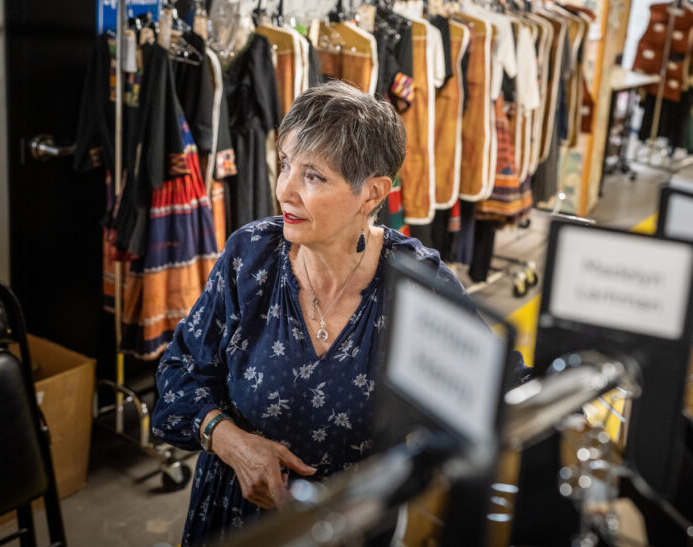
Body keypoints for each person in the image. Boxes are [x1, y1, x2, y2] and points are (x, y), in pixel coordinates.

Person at [152, 81, 500, 545]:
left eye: (313, 176)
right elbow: (178, 374)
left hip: (355, 529)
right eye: (285, 164)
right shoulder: (249, 256)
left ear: (372, 194)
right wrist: (229, 441)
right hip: (236, 519)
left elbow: (501, 400)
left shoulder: (419, 287)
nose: (284, 190)